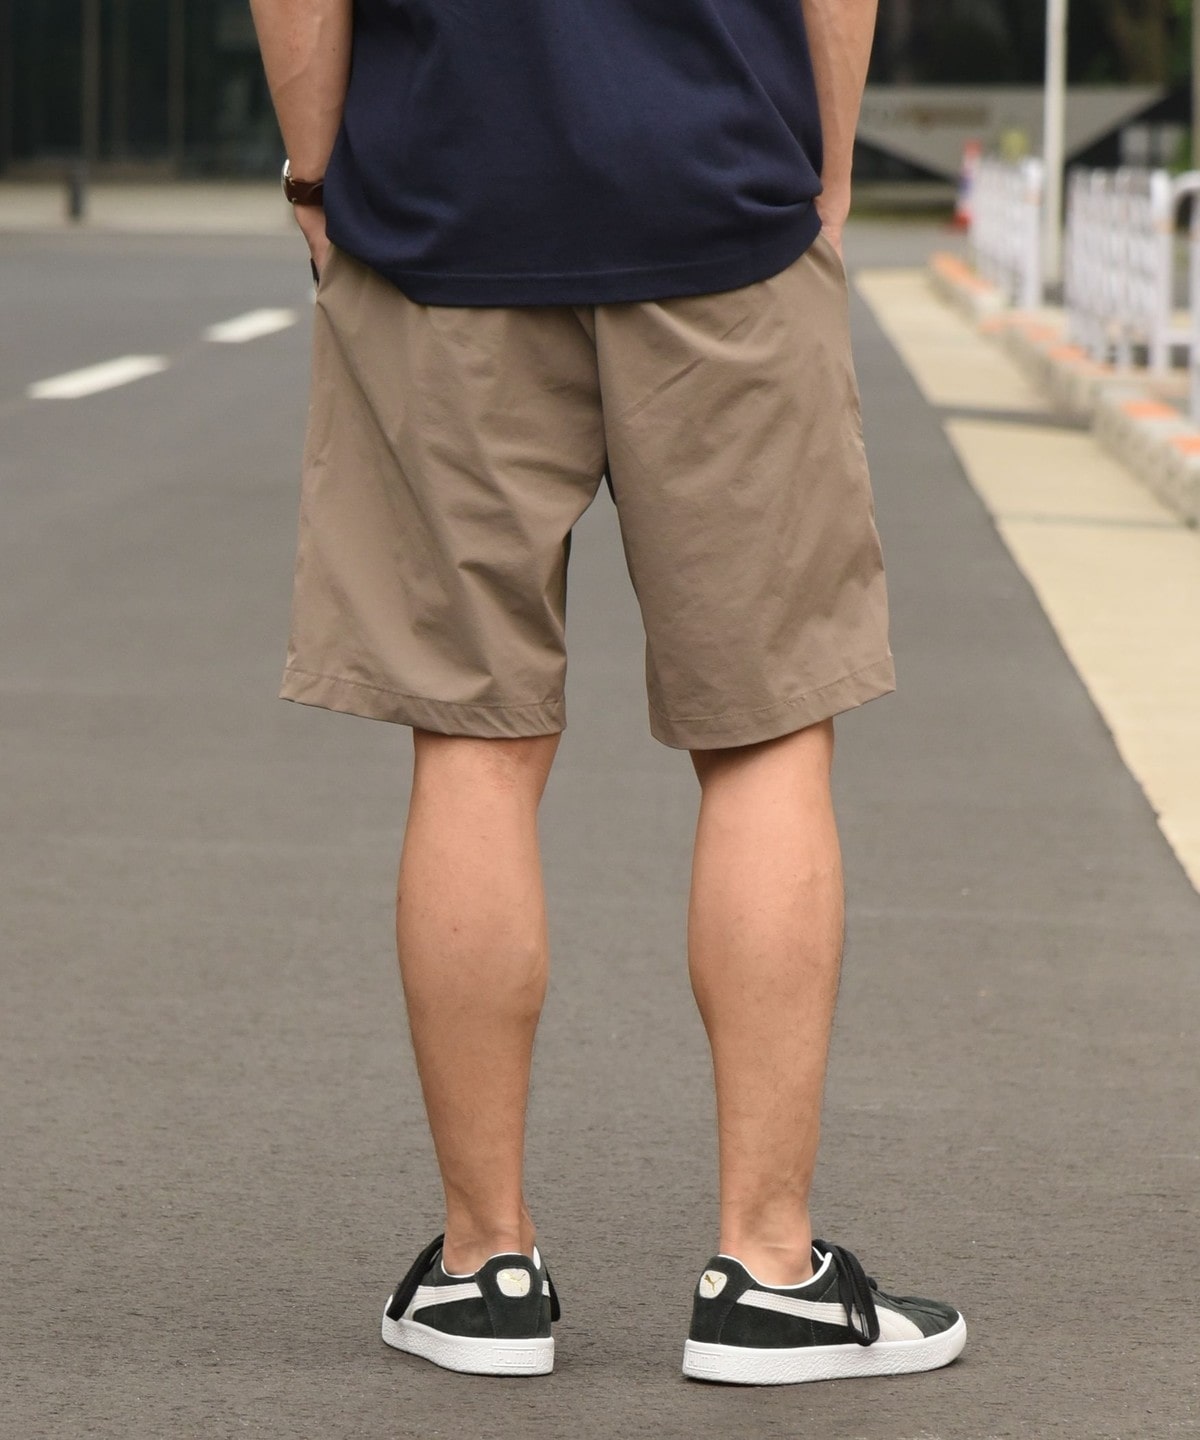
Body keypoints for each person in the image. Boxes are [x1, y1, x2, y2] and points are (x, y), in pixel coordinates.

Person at [250, 0, 967, 1385]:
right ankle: (768, 1272)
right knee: (765, 735)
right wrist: (821, 171)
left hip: (442, 218)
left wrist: (318, 172)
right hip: (721, 198)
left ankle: (484, 1271)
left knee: (472, 737)